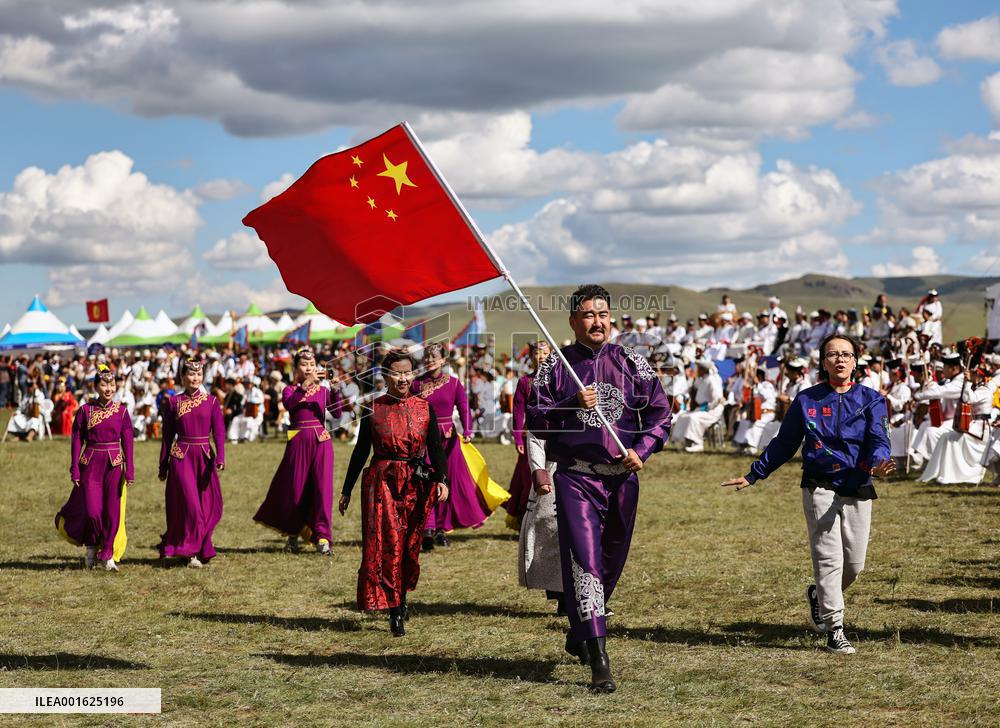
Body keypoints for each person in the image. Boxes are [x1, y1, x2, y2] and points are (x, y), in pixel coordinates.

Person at [527, 284, 672, 693]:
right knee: (586, 562)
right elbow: (535, 419)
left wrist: (642, 449)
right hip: (576, 477)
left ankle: (580, 630)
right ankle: (599, 659)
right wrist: (571, 404)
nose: (598, 321)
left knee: (610, 562)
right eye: (589, 315)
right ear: (573, 321)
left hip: (623, 479)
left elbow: (661, 414)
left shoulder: (633, 363)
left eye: (603, 314)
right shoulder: (555, 367)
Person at [722, 334, 894, 655]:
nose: (840, 360)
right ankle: (835, 628)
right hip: (819, 484)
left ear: (855, 361)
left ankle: (819, 595)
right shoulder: (807, 400)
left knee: (854, 564)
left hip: (858, 484)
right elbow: (785, 443)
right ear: (823, 362)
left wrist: (879, 463)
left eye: (846, 354)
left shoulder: (872, 399)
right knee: (828, 557)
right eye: (832, 355)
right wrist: (753, 474)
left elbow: (879, 438)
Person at [339, 350, 449, 637]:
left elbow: (436, 448)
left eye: (408, 372)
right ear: (386, 376)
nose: (403, 378)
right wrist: (347, 489)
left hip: (415, 484)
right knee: (390, 545)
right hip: (382, 484)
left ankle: (402, 596)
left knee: (410, 546)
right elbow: (361, 450)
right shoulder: (373, 409)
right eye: (397, 373)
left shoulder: (425, 408)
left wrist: (442, 479)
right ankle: (395, 609)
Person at [254, 347, 342, 555]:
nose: (309, 368)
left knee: (323, 490)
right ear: (295, 368)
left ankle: (323, 538)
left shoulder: (323, 391)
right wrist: (306, 385)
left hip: (321, 441)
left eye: (312, 364)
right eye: (304, 364)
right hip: (298, 443)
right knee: (296, 490)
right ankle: (293, 534)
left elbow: (337, 413)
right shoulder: (290, 390)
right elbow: (290, 405)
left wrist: (336, 390)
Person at [413, 343, 496, 549]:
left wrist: (467, 431)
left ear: (443, 360)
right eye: (427, 357)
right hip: (423, 440)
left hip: (448, 441)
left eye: (434, 357)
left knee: (446, 485)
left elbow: (464, 408)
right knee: (427, 482)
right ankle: (428, 528)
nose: (430, 361)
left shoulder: (454, 383)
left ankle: (441, 529)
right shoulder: (416, 384)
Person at [55, 364, 135, 571]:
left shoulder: (122, 412)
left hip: (114, 466)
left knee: (112, 512)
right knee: (92, 512)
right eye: (103, 385)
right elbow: (76, 440)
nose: (108, 389)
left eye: (112, 384)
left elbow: (128, 443)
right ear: (95, 386)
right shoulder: (85, 411)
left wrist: (131, 469)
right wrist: (74, 468)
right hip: (90, 464)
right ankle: (91, 545)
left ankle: (107, 554)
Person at [157, 356, 226, 568]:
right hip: (181, 457)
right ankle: (191, 553)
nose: (195, 378)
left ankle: (199, 545)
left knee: (209, 507)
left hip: (204, 458)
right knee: (190, 506)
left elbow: (219, 432)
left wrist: (221, 456)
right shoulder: (174, 402)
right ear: (182, 377)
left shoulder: (212, 401)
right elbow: (167, 436)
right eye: (191, 374)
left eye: (198, 374)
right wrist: (163, 464)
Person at [503, 341, 551, 531]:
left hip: (555, 439)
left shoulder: (559, 380)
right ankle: (526, 522)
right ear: (531, 357)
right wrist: (517, 438)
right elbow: (518, 412)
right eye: (537, 353)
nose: (541, 357)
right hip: (531, 438)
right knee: (529, 480)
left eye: (545, 353)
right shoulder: (525, 382)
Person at [669, 359, 724, 452]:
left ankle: (698, 443)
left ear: (704, 369)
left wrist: (708, 407)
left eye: (699, 368)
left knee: (693, 418)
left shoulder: (711, 379)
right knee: (683, 416)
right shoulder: (702, 379)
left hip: (712, 410)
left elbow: (718, 398)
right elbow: (692, 388)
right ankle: (687, 441)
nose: (697, 370)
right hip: (701, 408)